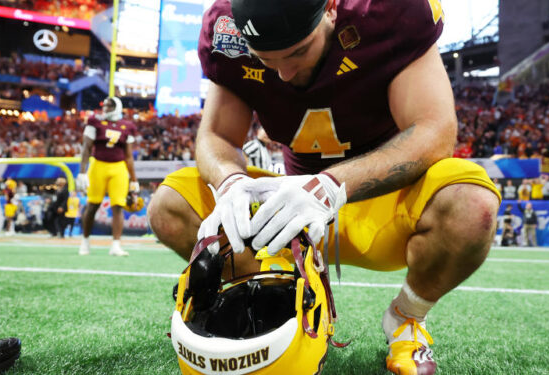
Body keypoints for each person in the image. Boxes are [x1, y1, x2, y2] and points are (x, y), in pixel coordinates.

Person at [146, 0, 501, 373]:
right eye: (264, 58)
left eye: (298, 51)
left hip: (382, 200)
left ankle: (406, 318)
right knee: (169, 206)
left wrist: (331, 186)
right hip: (288, 212)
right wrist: (229, 180)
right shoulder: (226, 25)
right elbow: (216, 134)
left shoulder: (391, 10)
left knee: (471, 203)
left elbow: (435, 130)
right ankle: (281, 297)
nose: (283, 73)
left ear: (331, 8)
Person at [76, 97, 139, 256]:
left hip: (118, 167)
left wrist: (134, 179)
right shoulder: (94, 121)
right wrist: (82, 171)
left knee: (118, 205)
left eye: (110, 105)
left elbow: (129, 155)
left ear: (118, 107)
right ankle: (85, 241)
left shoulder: (127, 126)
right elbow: (87, 147)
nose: (106, 108)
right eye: (105, 105)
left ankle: (116, 245)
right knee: (92, 204)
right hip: (98, 165)